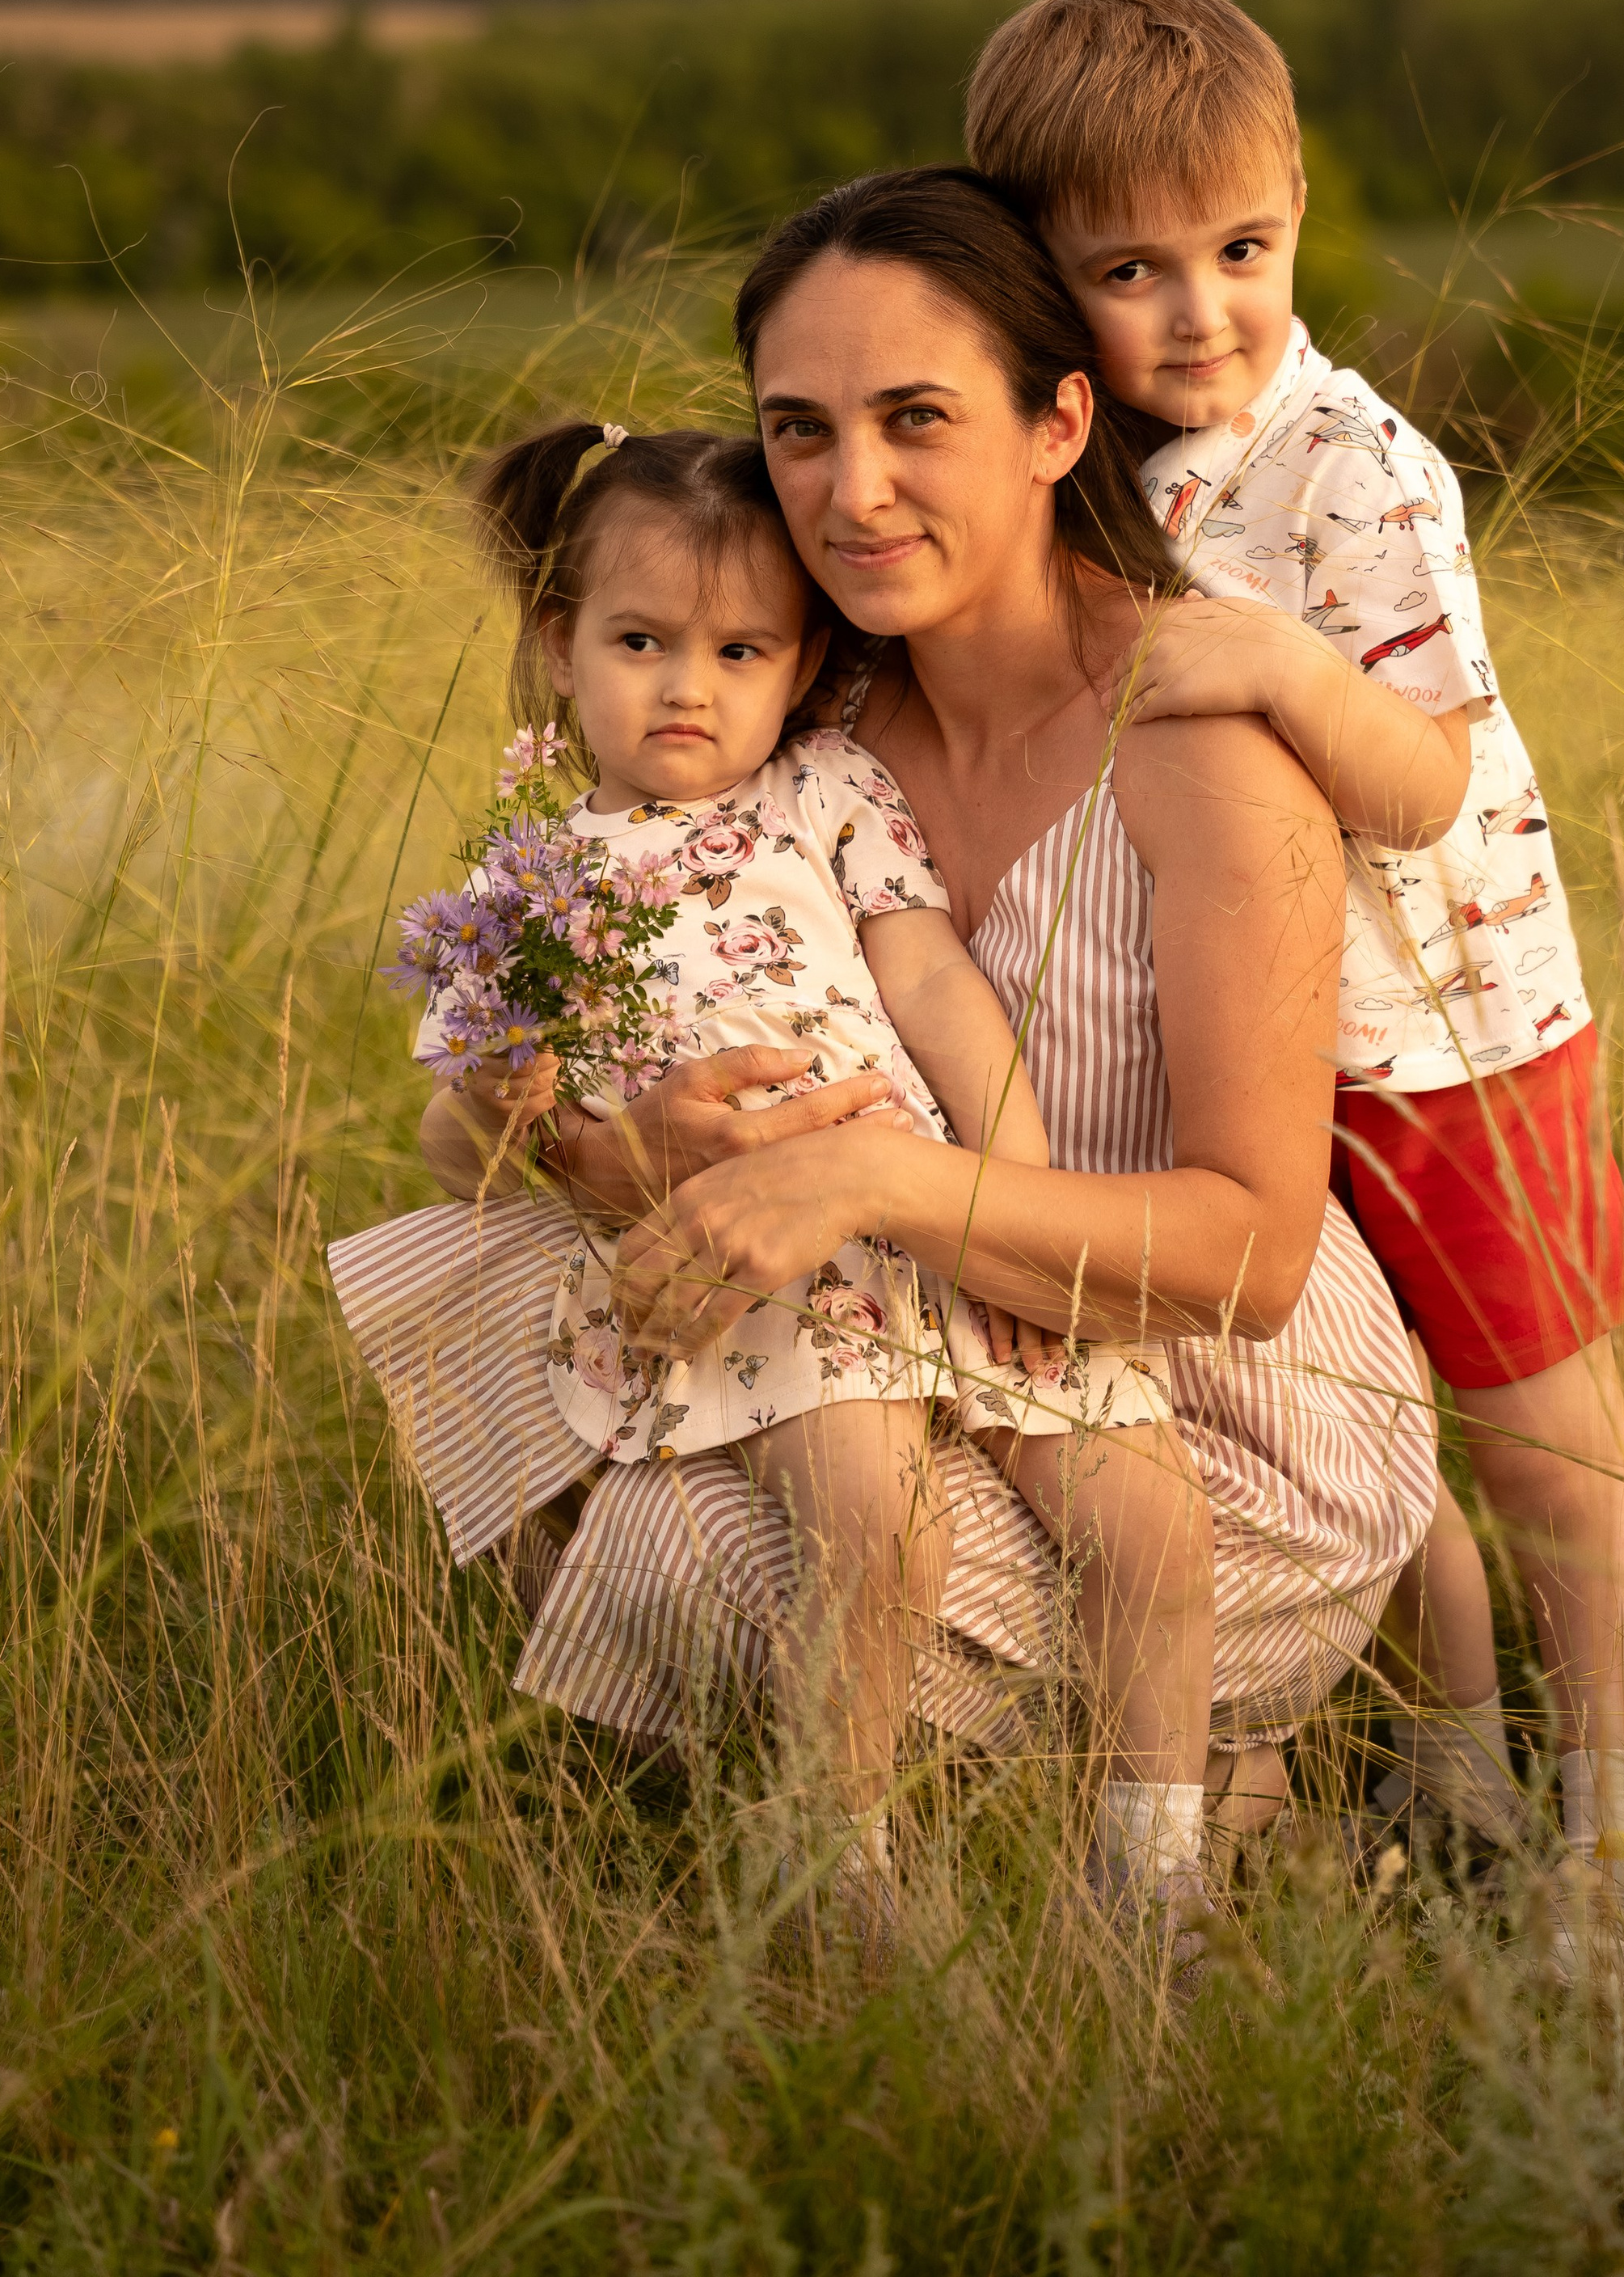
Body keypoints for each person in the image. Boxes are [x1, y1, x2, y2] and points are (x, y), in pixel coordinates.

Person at [576, 167, 1434, 1890]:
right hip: (923, 1338)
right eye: (798, 430)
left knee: (692, 1553)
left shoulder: (1190, 729)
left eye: (913, 420)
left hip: (1232, 1419)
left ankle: (1148, 1836)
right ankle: (1124, 1797)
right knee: (538, 1360)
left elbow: (1251, 1261)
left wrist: (865, 1183)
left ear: (1058, 422)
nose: (851, 490)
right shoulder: (794, 705)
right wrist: (614, 1142)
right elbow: (529, 1064)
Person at [964, 0, 1624, 1923]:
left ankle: (1616, 1867)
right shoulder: (1075, 455)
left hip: (1447, 1036)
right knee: (1353, 1425)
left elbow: (1427, 781)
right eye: (1131, 269)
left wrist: (1266, 662)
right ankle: (1448, 1770)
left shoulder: (1353, 468)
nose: (1201, 309)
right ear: (1038, 277)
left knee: (1546, 1456)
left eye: (1242, 246)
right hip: (1236, 1052)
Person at [330, 422, 1209, 1919]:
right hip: (755, 1269)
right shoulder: (533, 880)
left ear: (802, 669)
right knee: (878, 1523)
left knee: (1149, 1509)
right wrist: (525, 1112)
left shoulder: (829, 793)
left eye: (742, 652)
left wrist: (1016, 1196)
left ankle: (1155, 1859)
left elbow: (936, 991)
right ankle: (838, 1855)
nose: (690, 685)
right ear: (560, 648)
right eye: (641, 641)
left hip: (924, 1215)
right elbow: (450, 1142)